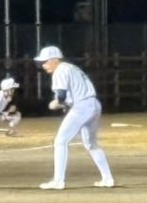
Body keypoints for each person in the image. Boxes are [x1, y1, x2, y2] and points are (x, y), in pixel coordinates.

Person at [35, 46, 114, 189]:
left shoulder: (60, 71)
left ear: (54, 59)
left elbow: (61, 96)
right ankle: (107, 179)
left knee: (60, 141)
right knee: (91, 145)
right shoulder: (71, 67)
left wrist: (56, 103)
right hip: (94, 104)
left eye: (45, 62)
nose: (43, 65)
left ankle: (58, 181)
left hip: (81, 107)